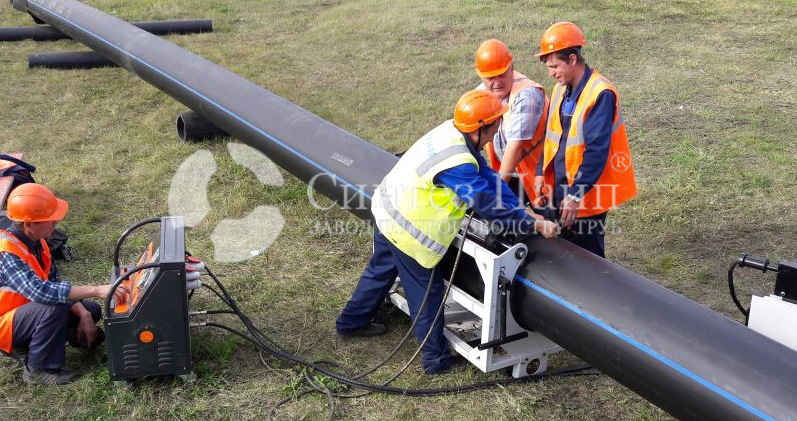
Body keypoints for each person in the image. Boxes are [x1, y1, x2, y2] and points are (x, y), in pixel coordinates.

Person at [336, 90, 557, 374]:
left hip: (388, 211)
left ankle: (352, 322)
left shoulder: (452, 134)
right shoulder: (458, 165)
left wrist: (521, 210)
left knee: (380, 270)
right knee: (427, 294)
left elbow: (488, 177)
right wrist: (533, 224)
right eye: (494, 127)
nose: (495, 134)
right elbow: (485, 202)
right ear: (480, 128)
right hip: (409, 231)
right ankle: (435, 361)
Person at [0, 183, 128, 385]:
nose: (56, 222)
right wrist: (96, 290)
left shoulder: (39, 241)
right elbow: (41, 292)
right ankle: (37, 369)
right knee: (55, 305)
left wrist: (84, 315)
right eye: (50, 220)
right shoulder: (6, 252)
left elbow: (54, 282)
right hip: (5, 324)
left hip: (26, 313)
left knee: (91, 309)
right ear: (28, 225)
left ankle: (36, 343)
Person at [533, 22, 637, 257]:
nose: (551, 73)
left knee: (589, 259)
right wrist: (540, 171)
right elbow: (550, 136)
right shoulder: (560, 88)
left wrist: (574, 195)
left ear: (572, 59)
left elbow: (596, 151)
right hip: (560, 187)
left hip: (586, 194)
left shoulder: (600, 93)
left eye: (554, 66)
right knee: (560, 251)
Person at [474, 39, 549, 205]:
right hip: (508, 175)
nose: (497, 82)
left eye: (502, 74)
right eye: (491, 77)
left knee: (548, 220)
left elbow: (515, 148)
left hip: (540, 177)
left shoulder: (527, 96)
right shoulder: (480, 96)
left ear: (511, 67)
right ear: (481, 76)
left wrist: (495, 195)